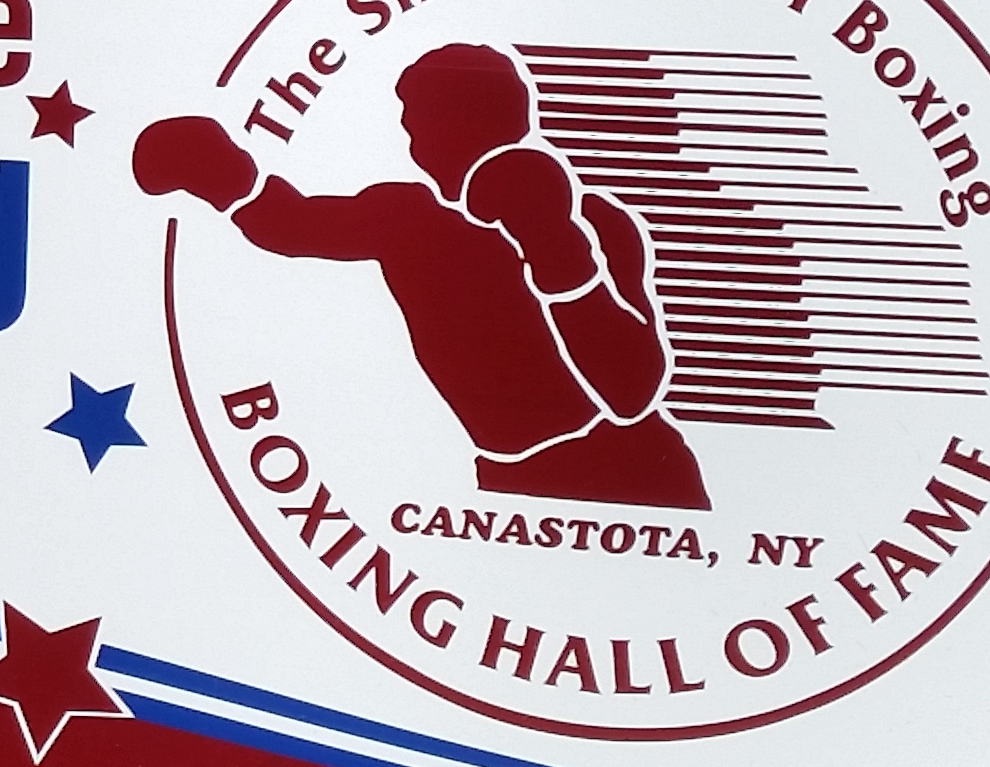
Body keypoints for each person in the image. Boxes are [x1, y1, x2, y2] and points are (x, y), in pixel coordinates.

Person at [135, 41, 707, 509]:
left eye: (431, 127)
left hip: (632, 471)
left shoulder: (597, 225)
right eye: (412, 129)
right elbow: (291, 225)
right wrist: (215, 169)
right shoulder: (407, 218)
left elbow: (630, 395)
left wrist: (553, 245)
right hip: (507, 483)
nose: (420, 148)